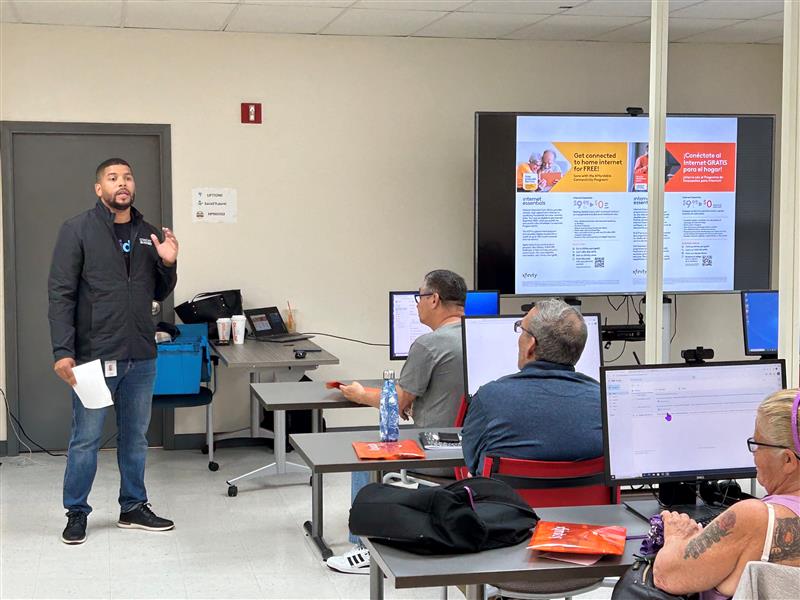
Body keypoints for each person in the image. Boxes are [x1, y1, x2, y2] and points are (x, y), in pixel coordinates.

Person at [48, 158, 179, 545]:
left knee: (135, 436)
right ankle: (76, 512)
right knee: (86, 438)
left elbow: (157, 291)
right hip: (93, 355)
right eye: (112, 178)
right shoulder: (77, 230)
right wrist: (62, 350)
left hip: (140, 352)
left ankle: (133, 507)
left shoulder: (147, 233)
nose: (122, 183)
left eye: (127, 177)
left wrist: (169, 263)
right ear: (98, 188)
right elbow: (61, 294)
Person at [326, 269, 467, 574]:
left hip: (435, 454)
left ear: (434, 299)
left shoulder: (429, 344)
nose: (417, 304)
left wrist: (360, 394)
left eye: (419, 297)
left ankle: (365, 550)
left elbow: (398, 401)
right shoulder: (481, 338)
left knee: (364, 459)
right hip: (476, 452)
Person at [653, 388, 800, 599]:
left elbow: (665, 575)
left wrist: (676, 536)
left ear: (788, 460)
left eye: (757, 444)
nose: (754, 453)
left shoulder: (755, 519)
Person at [460, 298, 601, 477]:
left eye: (521, 329)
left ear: (530, 345)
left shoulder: (488, 398)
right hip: (590, 505)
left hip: (506, 505)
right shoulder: (604, 402)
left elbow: (471, 462)